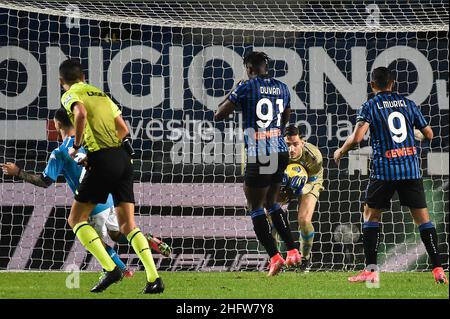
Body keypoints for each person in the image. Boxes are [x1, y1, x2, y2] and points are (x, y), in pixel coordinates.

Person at [1, 109, 172, 275]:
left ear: (57, 124)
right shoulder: (91, 141)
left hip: (90, 202)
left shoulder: (60, 152)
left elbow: (44, 181)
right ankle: (146, 240)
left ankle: (122, 270)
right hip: (110, 197)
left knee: (94, 240)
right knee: (117, 234)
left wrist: (18, 172)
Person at [334, 66, 448, 284]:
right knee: (423, 220)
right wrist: (415, 134)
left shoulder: (370, 106)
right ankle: (438, 269)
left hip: (385, 171)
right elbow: (430, 134)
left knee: (370, 215)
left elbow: (358, 138)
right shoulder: (408, 104)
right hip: (410, 169)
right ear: (393, 83)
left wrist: (340, 150)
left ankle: (371, 272)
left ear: (372, 85)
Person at [58, 59, 163, 293]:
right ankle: (154, 279)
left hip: (103, 160)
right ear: (84, 76)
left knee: (76, 220)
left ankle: (110, 268)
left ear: (61, 81)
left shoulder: (70, 94)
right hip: (123, 159)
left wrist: (77, 145)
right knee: (127, 225)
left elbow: (81, 114)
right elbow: (123, 130)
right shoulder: (102, 95)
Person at [215, 51, 301, 276]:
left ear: (249, 68)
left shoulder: (246, 87)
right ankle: (292, 250)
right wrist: (275, 131)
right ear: (266, 66)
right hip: (279, 150)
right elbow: (286, 115)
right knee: (272, 203)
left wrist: (235, 89)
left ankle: (275, 257)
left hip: (260, 152)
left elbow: (219, 114)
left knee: (255, 207)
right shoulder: (282, 87)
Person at [278, 125, 324, 271]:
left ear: (302, 142)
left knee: (304, 220)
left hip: (310, 181)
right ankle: (275, 258)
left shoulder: (314, 156)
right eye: (287, 145)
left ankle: (305, 259)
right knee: (271, 216)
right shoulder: (276, 153)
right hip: (284, 183)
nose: (291, 149)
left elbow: (312, 181)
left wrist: (297, 188)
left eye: (295, 144)